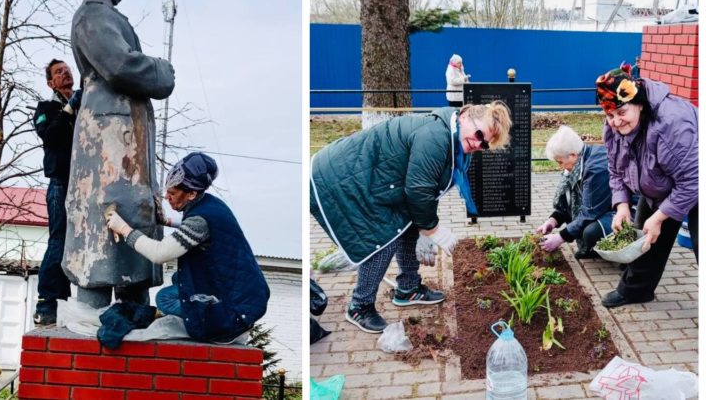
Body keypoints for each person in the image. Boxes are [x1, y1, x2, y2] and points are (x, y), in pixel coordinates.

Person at [311, 102, 512, 333]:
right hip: (340, 180)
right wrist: (432, 230)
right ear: (464, 116)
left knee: (407, 225)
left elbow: (426, 191)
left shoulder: (451, 140)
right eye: (478, 134)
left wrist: (424, 228)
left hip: (372, 181)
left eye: (484, 144)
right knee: (382, 239)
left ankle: (407, 288)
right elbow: (419, 190)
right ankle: (359, 306)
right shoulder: (437, 136)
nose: (478, 144)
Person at [63, 0, 176, 308]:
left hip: (121, 139)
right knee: (103, 225)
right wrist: (162, 71)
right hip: (109, 144)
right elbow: (120, 66)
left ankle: (132, 309)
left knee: (128, 219)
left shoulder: (102, 16)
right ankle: (98, 315)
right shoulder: (93, 16)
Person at [105, 153, 270, 343]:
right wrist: (166, 220)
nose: (167, 197)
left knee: (165, 300)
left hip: (236, 309)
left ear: (191, 194)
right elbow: (194, 225)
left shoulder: (200, 221)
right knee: (172, 292)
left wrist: (124, 229)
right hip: (243, 294)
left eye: (173, 193)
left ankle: (223, 328)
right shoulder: (210, 205)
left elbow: (160, 253)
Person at [596, 64, 698, 308]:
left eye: (621, 112)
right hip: (662, 183)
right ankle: (636, 291)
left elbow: (693, 180)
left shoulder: (671, 123)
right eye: (609, 115)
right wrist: (621, 205)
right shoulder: (612, 129)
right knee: (645, 234)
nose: (616, 122)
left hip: (697, 175)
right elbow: (615, 169)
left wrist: (661, 216)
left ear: (639, 103)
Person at [32, 59, 81, 325]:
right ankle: (47, 302)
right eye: (58, 72)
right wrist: (69, 108)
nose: (65, 73)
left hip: (84, 186)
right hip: (61, 184)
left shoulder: (86, 106)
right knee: (59, 240)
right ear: (51, 82)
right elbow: (50, 137)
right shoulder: (47, 109)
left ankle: (64, 301)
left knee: (77, 244)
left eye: (67, 70)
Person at [535, 126, 613, 259]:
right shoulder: (581, 160)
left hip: (628, 212)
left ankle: (618, 252)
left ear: (573, 155)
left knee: (591, 232)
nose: (560, 167)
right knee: (582, 227)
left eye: (560, 162)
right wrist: (553, 220)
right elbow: (569, 201)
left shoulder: (596, 169)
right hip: (605, 207)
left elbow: (589, 214)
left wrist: (560, 237)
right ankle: (593, 247)